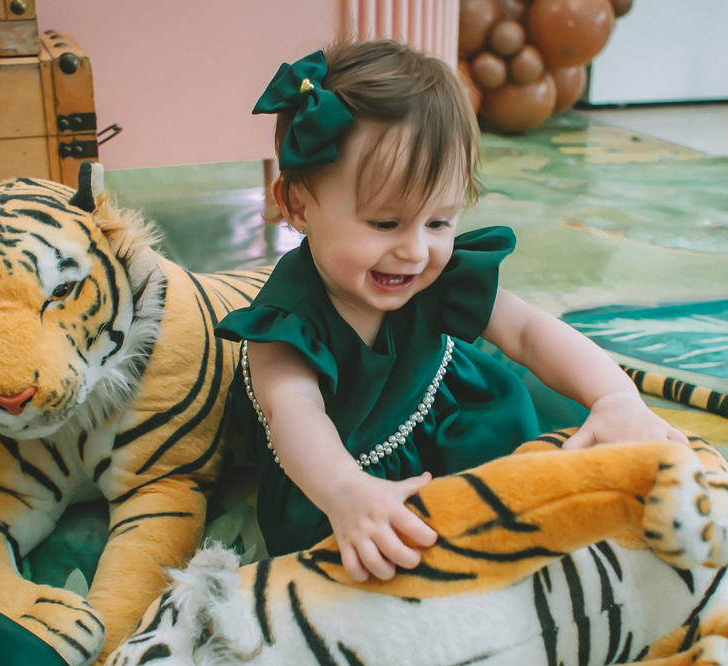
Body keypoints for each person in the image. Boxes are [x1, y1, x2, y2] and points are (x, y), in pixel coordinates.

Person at [215, 40, 685, 582]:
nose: (416, 251)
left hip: (455, 422)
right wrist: (345, 491)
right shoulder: (285, 320)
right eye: (385, 224)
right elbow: (292, 410)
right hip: (335, 470)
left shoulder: (437, 275)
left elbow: (529, 331)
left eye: (439, 222)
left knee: (535, 511)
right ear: (298, 205)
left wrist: (615, 397)